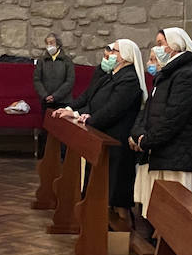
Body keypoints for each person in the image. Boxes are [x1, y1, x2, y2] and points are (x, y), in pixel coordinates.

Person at [129, 27, 192, 240]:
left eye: (160, 43)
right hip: (164, 151)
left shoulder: (188, 75)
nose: (157, 48)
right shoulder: (167, 73)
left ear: (175, 45)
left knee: (176, 217)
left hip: (180, 155)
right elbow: (149, 111)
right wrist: (140, 135)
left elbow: (174, 117)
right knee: (162, 214)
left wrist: (146, 141)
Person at [54, 39, 145, 218]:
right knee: (102, 186)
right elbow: (95, 102)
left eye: (115, 51)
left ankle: (119, 229)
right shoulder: (111, 75)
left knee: (116, 190)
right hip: (102, 136)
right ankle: (96, 220)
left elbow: (113, 109)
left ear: (126, 56)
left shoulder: (129, 80)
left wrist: (89, 120)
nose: (110, 54)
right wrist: (78, 114)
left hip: (117, 140)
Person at [33, 32, 75, 110]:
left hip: (63, 102)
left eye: (51, 43)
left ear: (58, 45)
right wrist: (45, 95)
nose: (49, 45)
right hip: (46, 102)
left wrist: (55, 96)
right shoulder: (41, 61)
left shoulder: (67, 61)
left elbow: (70, 81)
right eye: (47, 43)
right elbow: (37, 80)